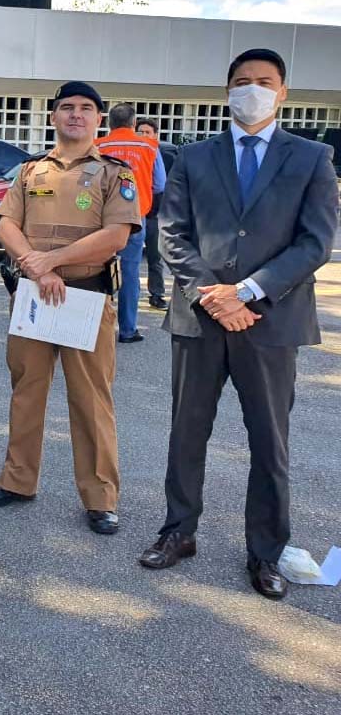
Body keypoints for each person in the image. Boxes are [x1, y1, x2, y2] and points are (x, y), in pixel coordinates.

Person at [138, 48, 338, 600]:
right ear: (227, 90)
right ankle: (178, 531)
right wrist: (213, 294)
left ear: (283, 93)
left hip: (270, 321)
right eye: (242, 81)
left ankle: (266, 552)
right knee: (187, 431)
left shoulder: (311, 158)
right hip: (200, 319)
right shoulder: (194, 157)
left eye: (264, 81)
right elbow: (172, 233)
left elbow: (316, 241)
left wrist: (249, 290)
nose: (253, 89)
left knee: (269, 441)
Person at [0, 81, 140, 535]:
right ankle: (17, 480)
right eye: (66, 107)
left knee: (90, 400)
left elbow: (116, 237)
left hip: (86, 295)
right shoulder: (30, 172)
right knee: (27, 390)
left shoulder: (114, 173)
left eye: (86, 108)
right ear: (52, 116)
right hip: (33, 294)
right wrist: (36, 266)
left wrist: (53, 261)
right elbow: (7, 224)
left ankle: (100, 497)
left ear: (99, 119)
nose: (75, 115)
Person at [95, 104, 165, 342]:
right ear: (133, 124)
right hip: (134, 217)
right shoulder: (150, 147)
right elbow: (160, 184)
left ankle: (95, 325)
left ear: (109, 123)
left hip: (100, 218)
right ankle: (127, 329)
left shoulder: (97, 146)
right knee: (130, 272)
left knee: (95, 269)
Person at [134, 118, 173, 310]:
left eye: (147, 132)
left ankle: (157, 294)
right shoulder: (134, 153)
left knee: (154, 257)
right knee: (126, 258)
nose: (143, 136)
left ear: (155, 135)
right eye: (139, 132)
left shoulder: (162, 152)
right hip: (133, 212)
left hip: (155, 213)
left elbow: (162, 184)